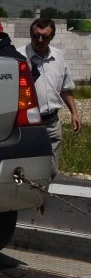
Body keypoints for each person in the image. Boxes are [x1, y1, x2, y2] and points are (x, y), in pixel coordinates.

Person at [26, 17, 82, 178]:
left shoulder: (58, 57)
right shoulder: (19, 56)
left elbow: (65, 89)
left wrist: (74, 113)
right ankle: (31, 201)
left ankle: (40, 199)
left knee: (51, 170)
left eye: (45, 37)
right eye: (36, 36)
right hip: (28, 123)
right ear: (31, 35)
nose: (40, 40)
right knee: (28, 168)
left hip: (52, 122)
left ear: (52, 37)